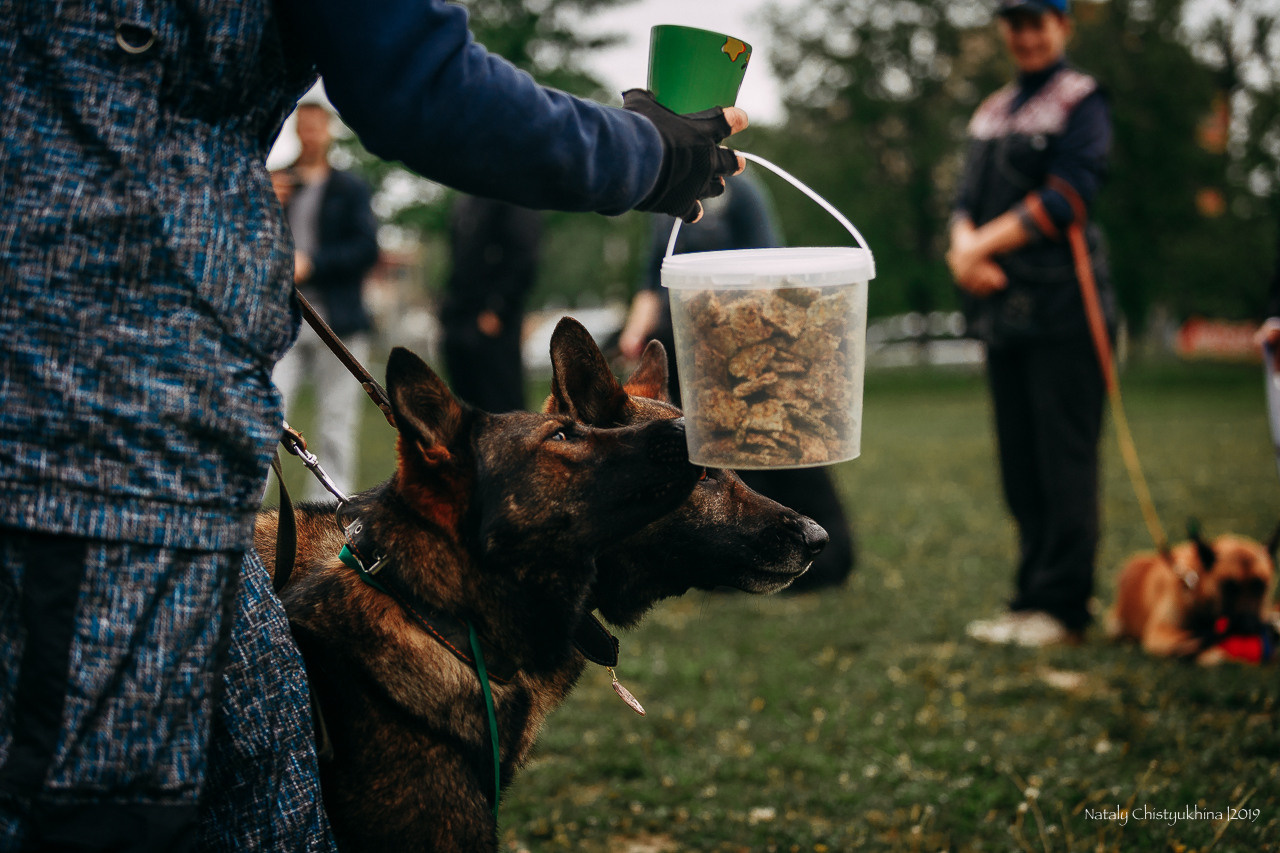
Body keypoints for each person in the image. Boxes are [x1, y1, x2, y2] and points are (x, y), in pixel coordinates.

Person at [0, 0, 748, 849]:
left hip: (141, 401)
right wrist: (652, 150)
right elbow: (419, 78)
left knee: (263, 763)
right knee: (104, 798)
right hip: (97, 406)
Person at [947, 0, 1115, 647]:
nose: (1026, 34)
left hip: (1068, 312)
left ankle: (1063, 606)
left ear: (1062, 25)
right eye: (1015, 22)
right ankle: (1028, 599)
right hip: (1006, 318)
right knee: (1020, 467)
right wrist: (964, 251)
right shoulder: (992, 111)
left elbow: (1067, 196)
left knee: (1063, 463)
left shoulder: (1083, 101)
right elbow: (963, 200)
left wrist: (978, 249)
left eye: (1037, 21)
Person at [620, 174, 857, 592]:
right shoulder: (666, 203)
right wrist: (636, 331)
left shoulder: (742, 193)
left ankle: (826, 560)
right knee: (724, 464)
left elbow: (767, 267)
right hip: (688, 346)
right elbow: (653, 277)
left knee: (781, 453)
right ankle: (745, 562)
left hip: (745, 345)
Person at [272, 102, 380, 498]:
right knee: (267, 414)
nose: (310, 134)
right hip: (281, 320)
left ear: (329, 131)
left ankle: (329, 509)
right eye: (303, 126)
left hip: (338, 320)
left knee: (336, 422)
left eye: (317, 126)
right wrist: (264, 202)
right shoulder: (276, 181)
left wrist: (312, 263)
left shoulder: (349, 188)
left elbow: (366, 249)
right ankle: (248, 510)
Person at [440, 195, 543, 412]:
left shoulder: (512, 194)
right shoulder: (466, 199)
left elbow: (524, 256)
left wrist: (498, 309)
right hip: (459, 317)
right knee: (463, 411)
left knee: (501, 408)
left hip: (491, 322)